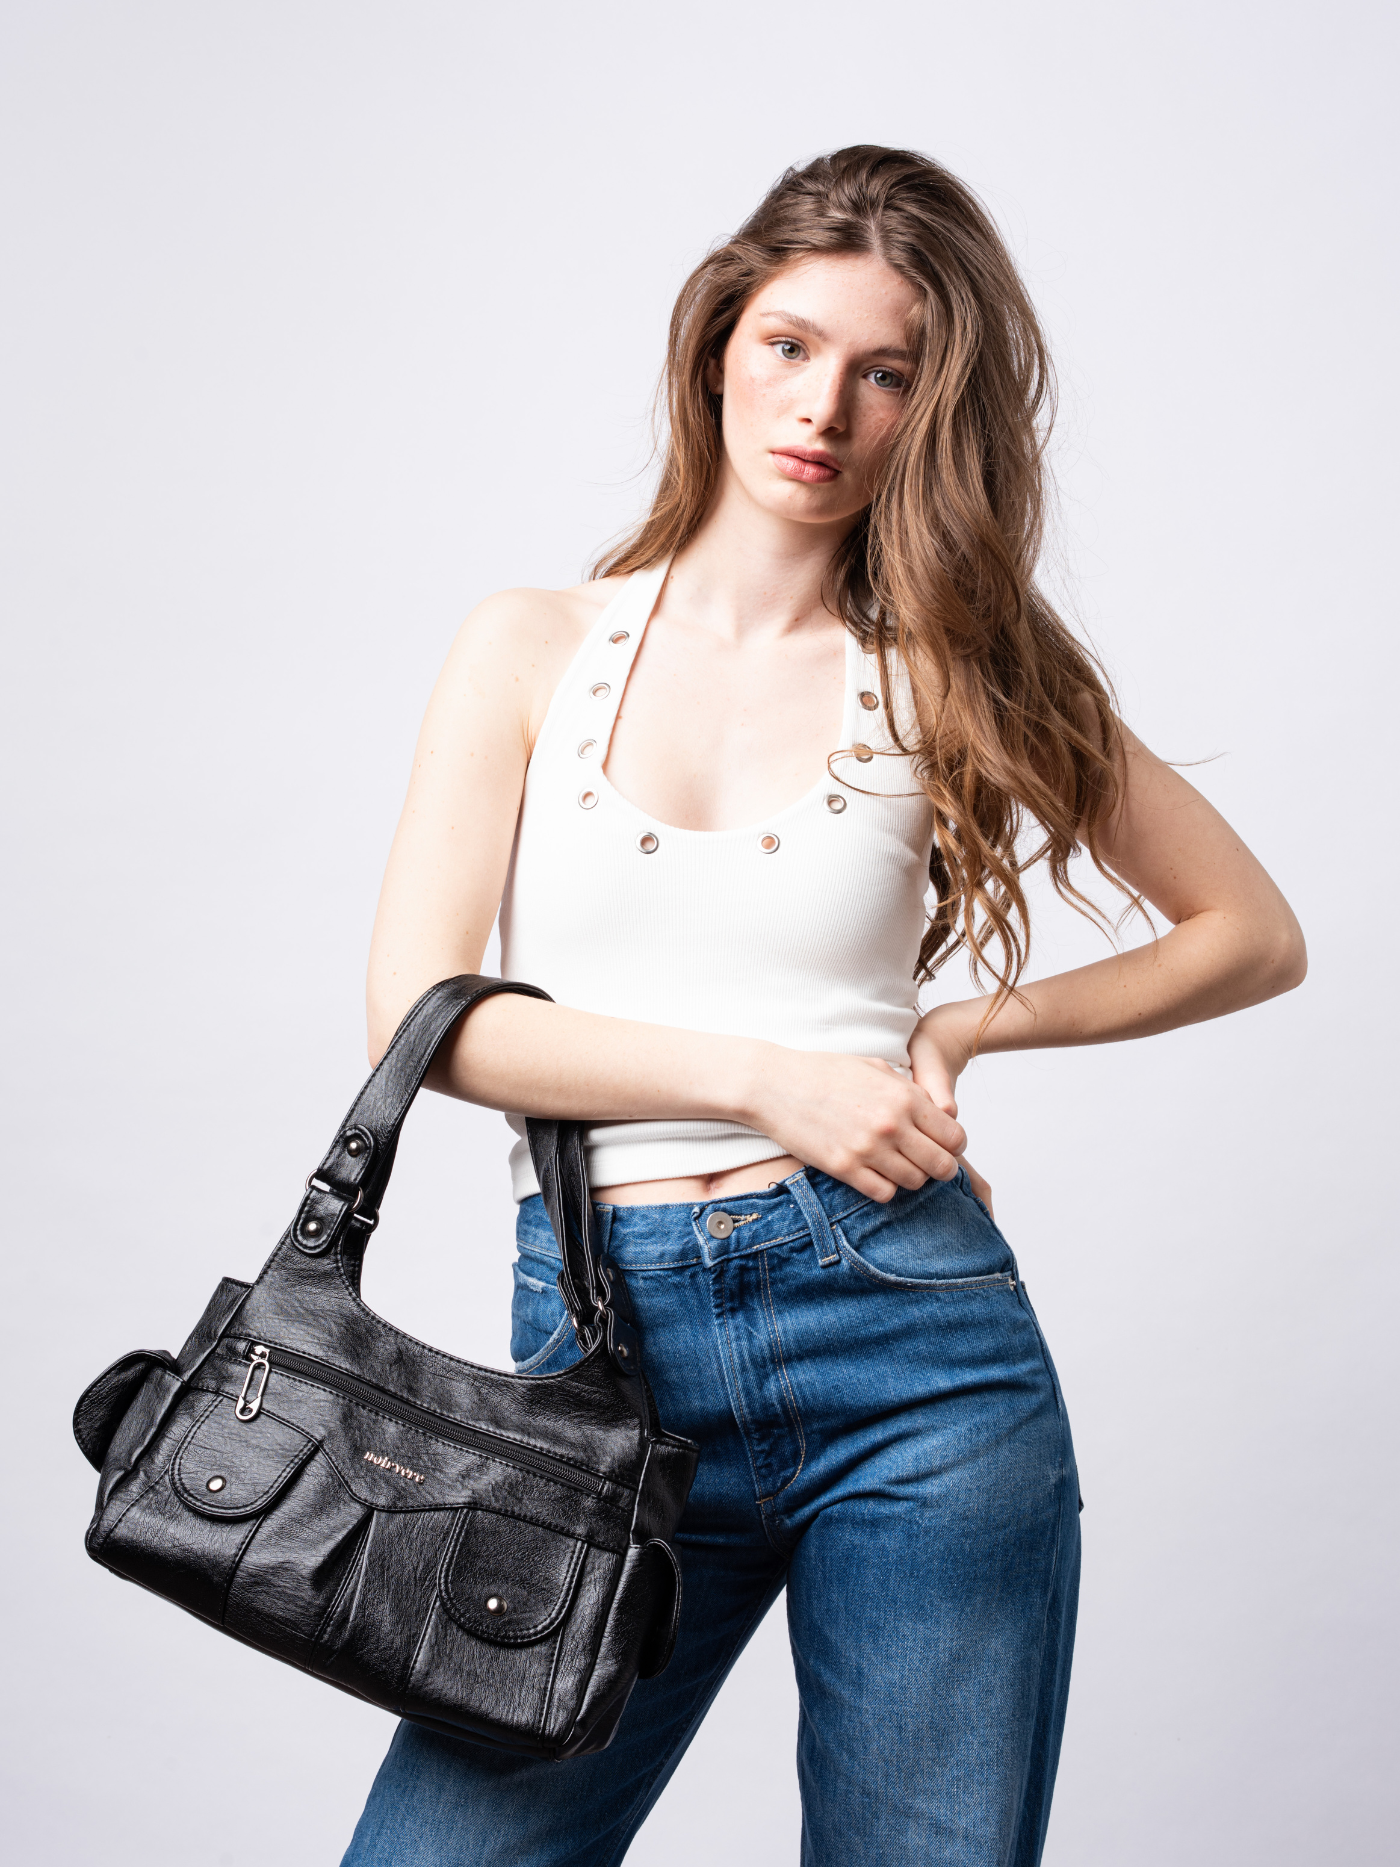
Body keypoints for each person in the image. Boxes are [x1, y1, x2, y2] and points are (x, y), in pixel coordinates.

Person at [342, 145, 1305, 1866]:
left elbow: (1250, 930)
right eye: (790, 345)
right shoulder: (531, 645)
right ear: (719, 339)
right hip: (605, 1358)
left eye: (887, 372)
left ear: (931, 410)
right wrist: (772, 1080)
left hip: (913, 1348)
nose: (823, 407)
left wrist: (965, 1028)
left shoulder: (952, 662)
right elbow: (428, 1020)